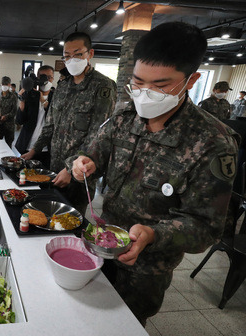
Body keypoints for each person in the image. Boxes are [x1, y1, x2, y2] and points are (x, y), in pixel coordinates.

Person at [71, 22, 238, 326]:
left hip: (147, 268)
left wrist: (153, 234)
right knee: (86, 319)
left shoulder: (213, 143)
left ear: (191, 80)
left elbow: (207, 227)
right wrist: (86, 161)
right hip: (101, 243)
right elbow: (97, 151)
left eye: (161, 86)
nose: (145, 94)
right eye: (138, 82)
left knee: (126, 324)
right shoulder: (125, 116)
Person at [22, 32, 117, 212]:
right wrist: (34, 150)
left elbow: (98, 135)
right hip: (54, 165)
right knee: (50, 213)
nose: (71, 59)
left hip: (79, 172)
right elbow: (50, 124)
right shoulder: (63, 86)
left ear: (90, 54)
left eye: (78, 54)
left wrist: (69, 168)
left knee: (71, 219)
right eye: (67, 56)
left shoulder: (103, 87)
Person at [15, 65, 56, 168]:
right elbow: (19, 121)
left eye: (49, 77)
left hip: (46, 149)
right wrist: (22, 101)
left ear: (53, 78)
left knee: (44, 179)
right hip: (26, 146)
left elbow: (56, 120)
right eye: (42, 77)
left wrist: (44, 102)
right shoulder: (30, 95)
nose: (46, 80)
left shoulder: (57, 97)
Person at [0, 76, 18, 147]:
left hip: (9, 125)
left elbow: (14, 111)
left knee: (8, 144)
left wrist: (6, 116)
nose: (4, 86)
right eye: (3, 84)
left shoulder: (13, 96)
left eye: (6, 84)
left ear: (9, 85)